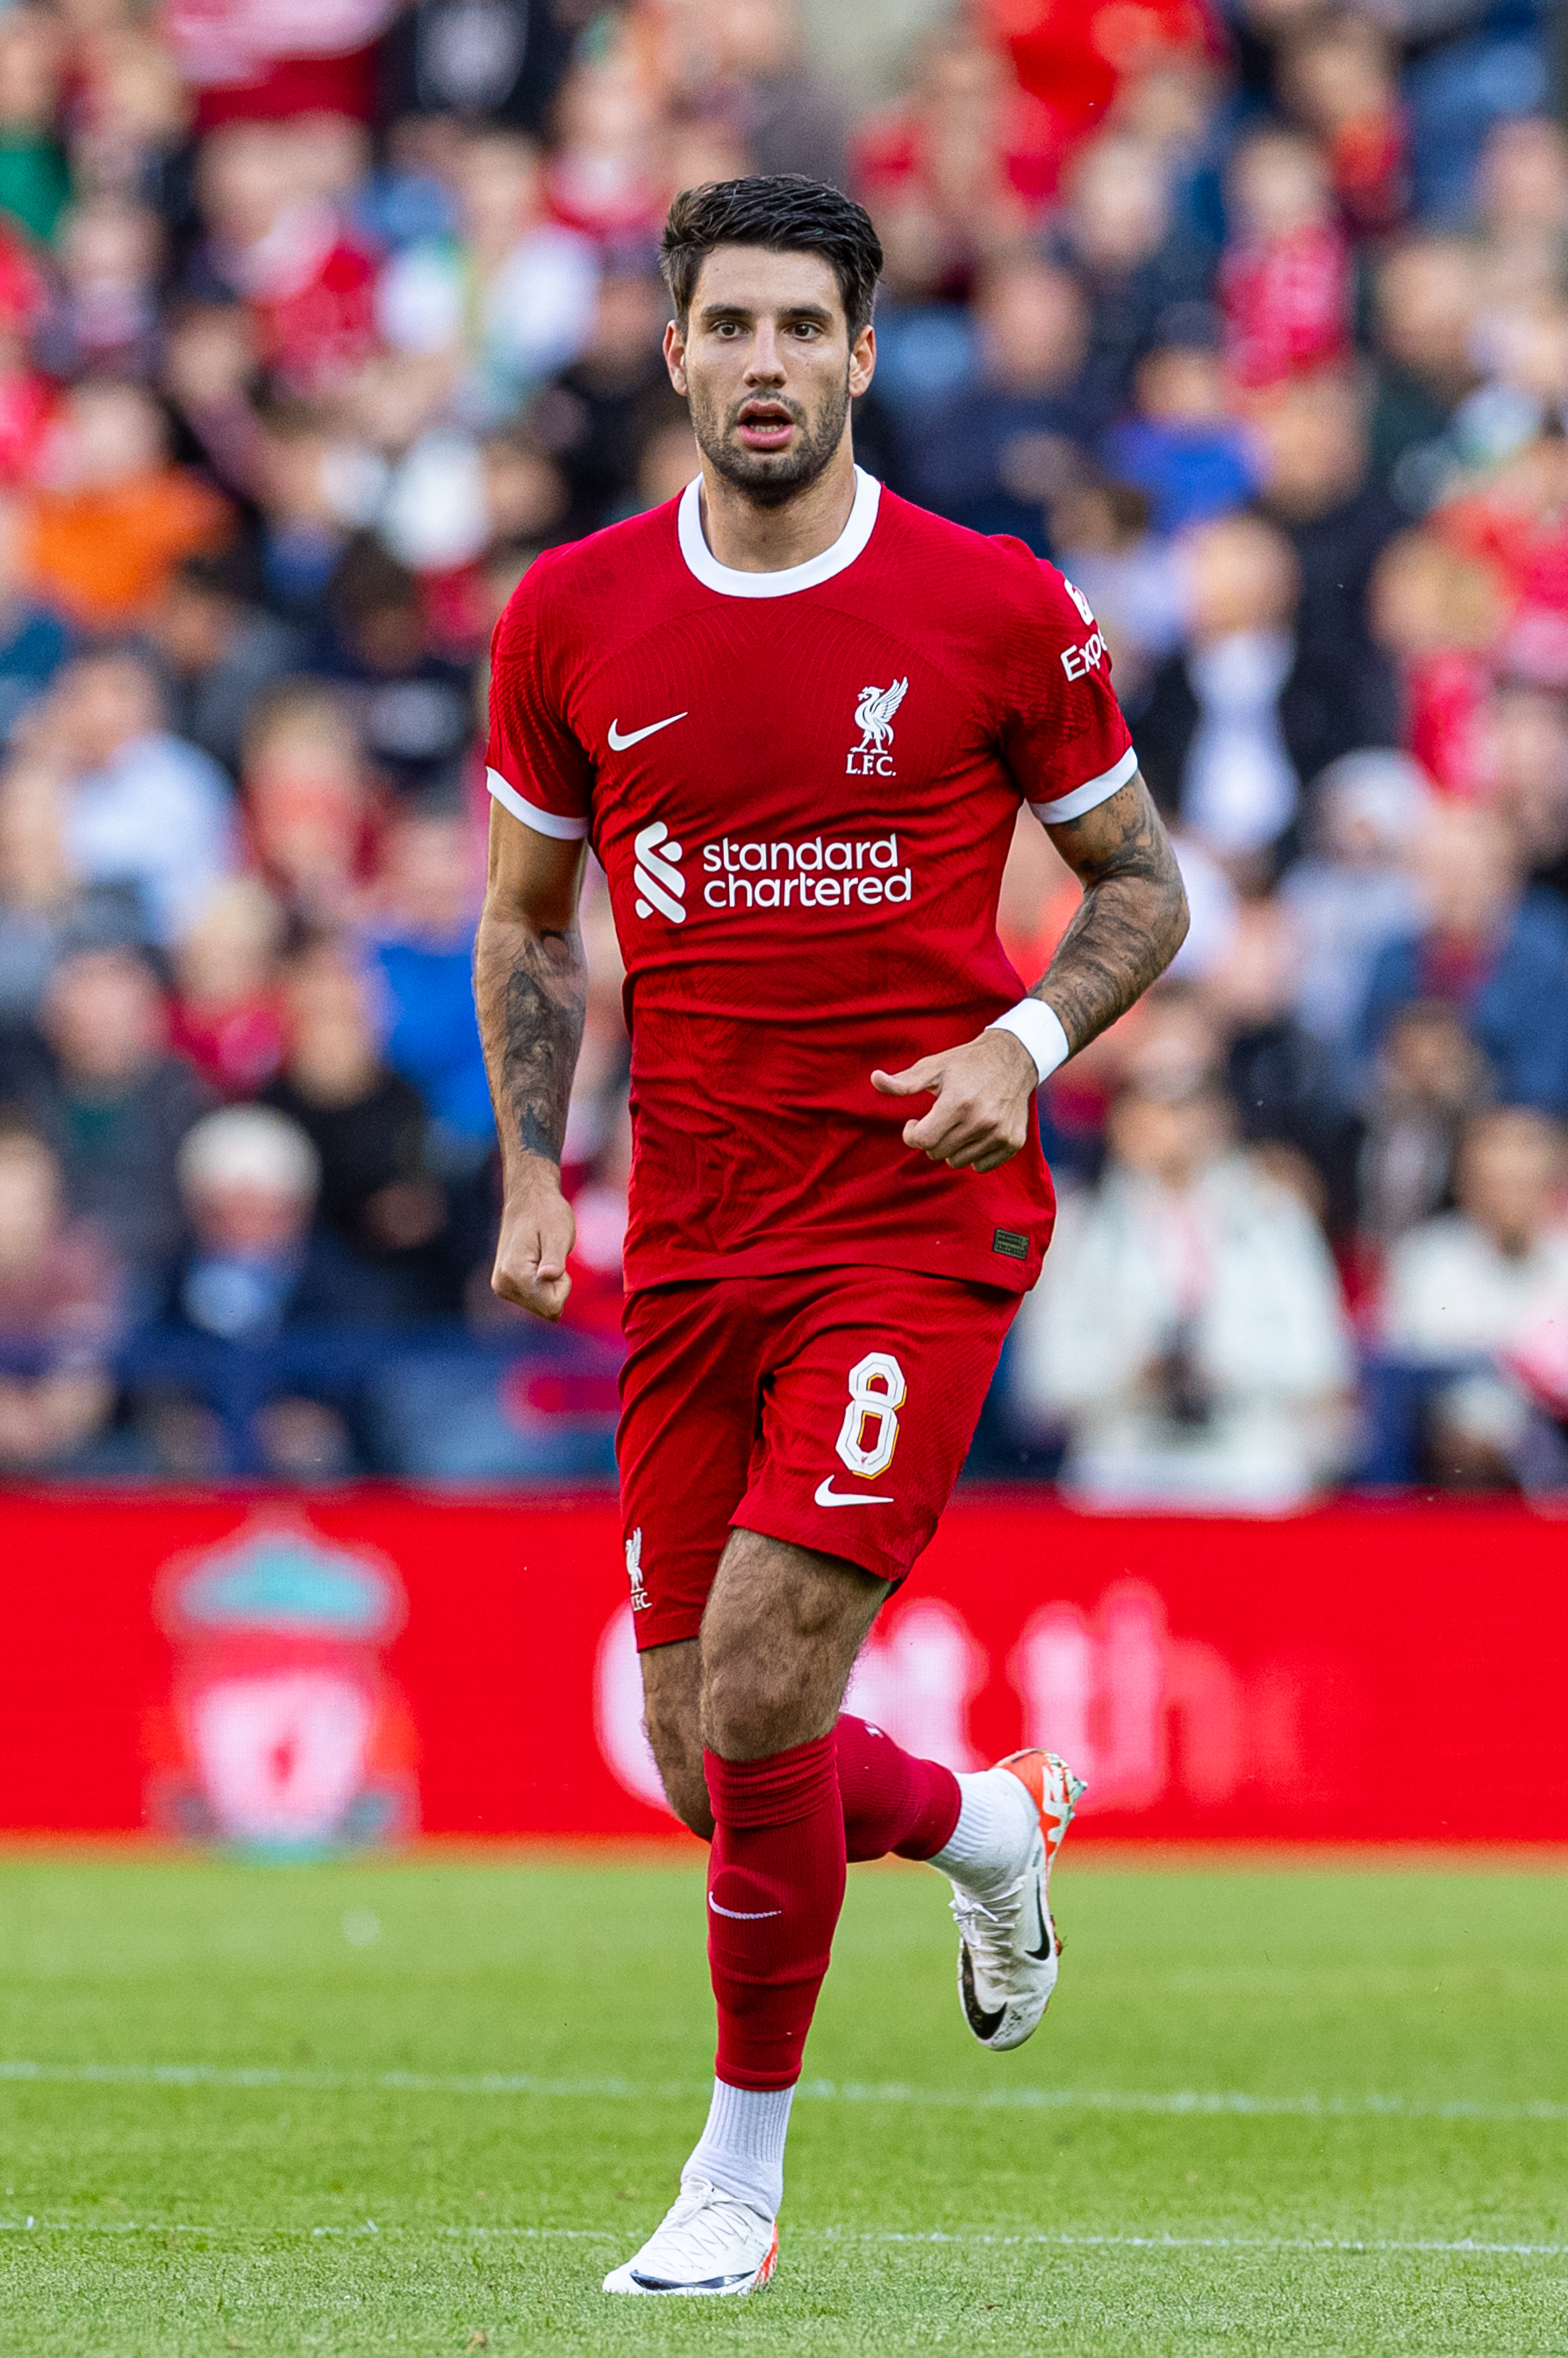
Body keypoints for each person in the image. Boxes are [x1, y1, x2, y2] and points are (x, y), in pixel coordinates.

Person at [474, 176, 1189, 2299]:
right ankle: (983, 1825)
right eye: (732, 327)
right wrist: (536, 1165)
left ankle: (738, 2180)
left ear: (865, 356)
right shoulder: (571, 617)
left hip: (914, 1218)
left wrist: (1033, 1032)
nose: (769, 363)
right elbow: (528, 924)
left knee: (779, 1671)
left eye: (807, 328)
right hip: (692, 1235)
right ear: (675, 352)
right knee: (708, 1755)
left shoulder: (992, 607)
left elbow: (1142, 882)